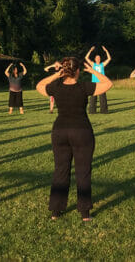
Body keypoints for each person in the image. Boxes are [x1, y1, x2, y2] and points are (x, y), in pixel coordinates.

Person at [36, 56, 113, 221]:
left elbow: (39, 86)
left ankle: (56, 211)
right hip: (82, 132)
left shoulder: (56, 87)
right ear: (78, 71)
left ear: (64, 71)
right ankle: (85, 213)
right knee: (83, 171)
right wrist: (93, 71)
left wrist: (56, 75)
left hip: (60, 131)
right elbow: (108, 84)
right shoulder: (83, 87)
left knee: (60, 171)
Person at [85, 46, 112, 114]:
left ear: (100, 59)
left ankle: (104, 111)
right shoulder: (93, 64)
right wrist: (90, 50)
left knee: (103, 98)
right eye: (97, 58)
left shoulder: (102, 65)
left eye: (99, 58)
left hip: (102, 83)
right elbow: (86, 58)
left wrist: (106, 50)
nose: (98, 59)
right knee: (93, 97)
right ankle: (92, 111)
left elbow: (109, 58)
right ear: (95, 59)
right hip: (94, 83)